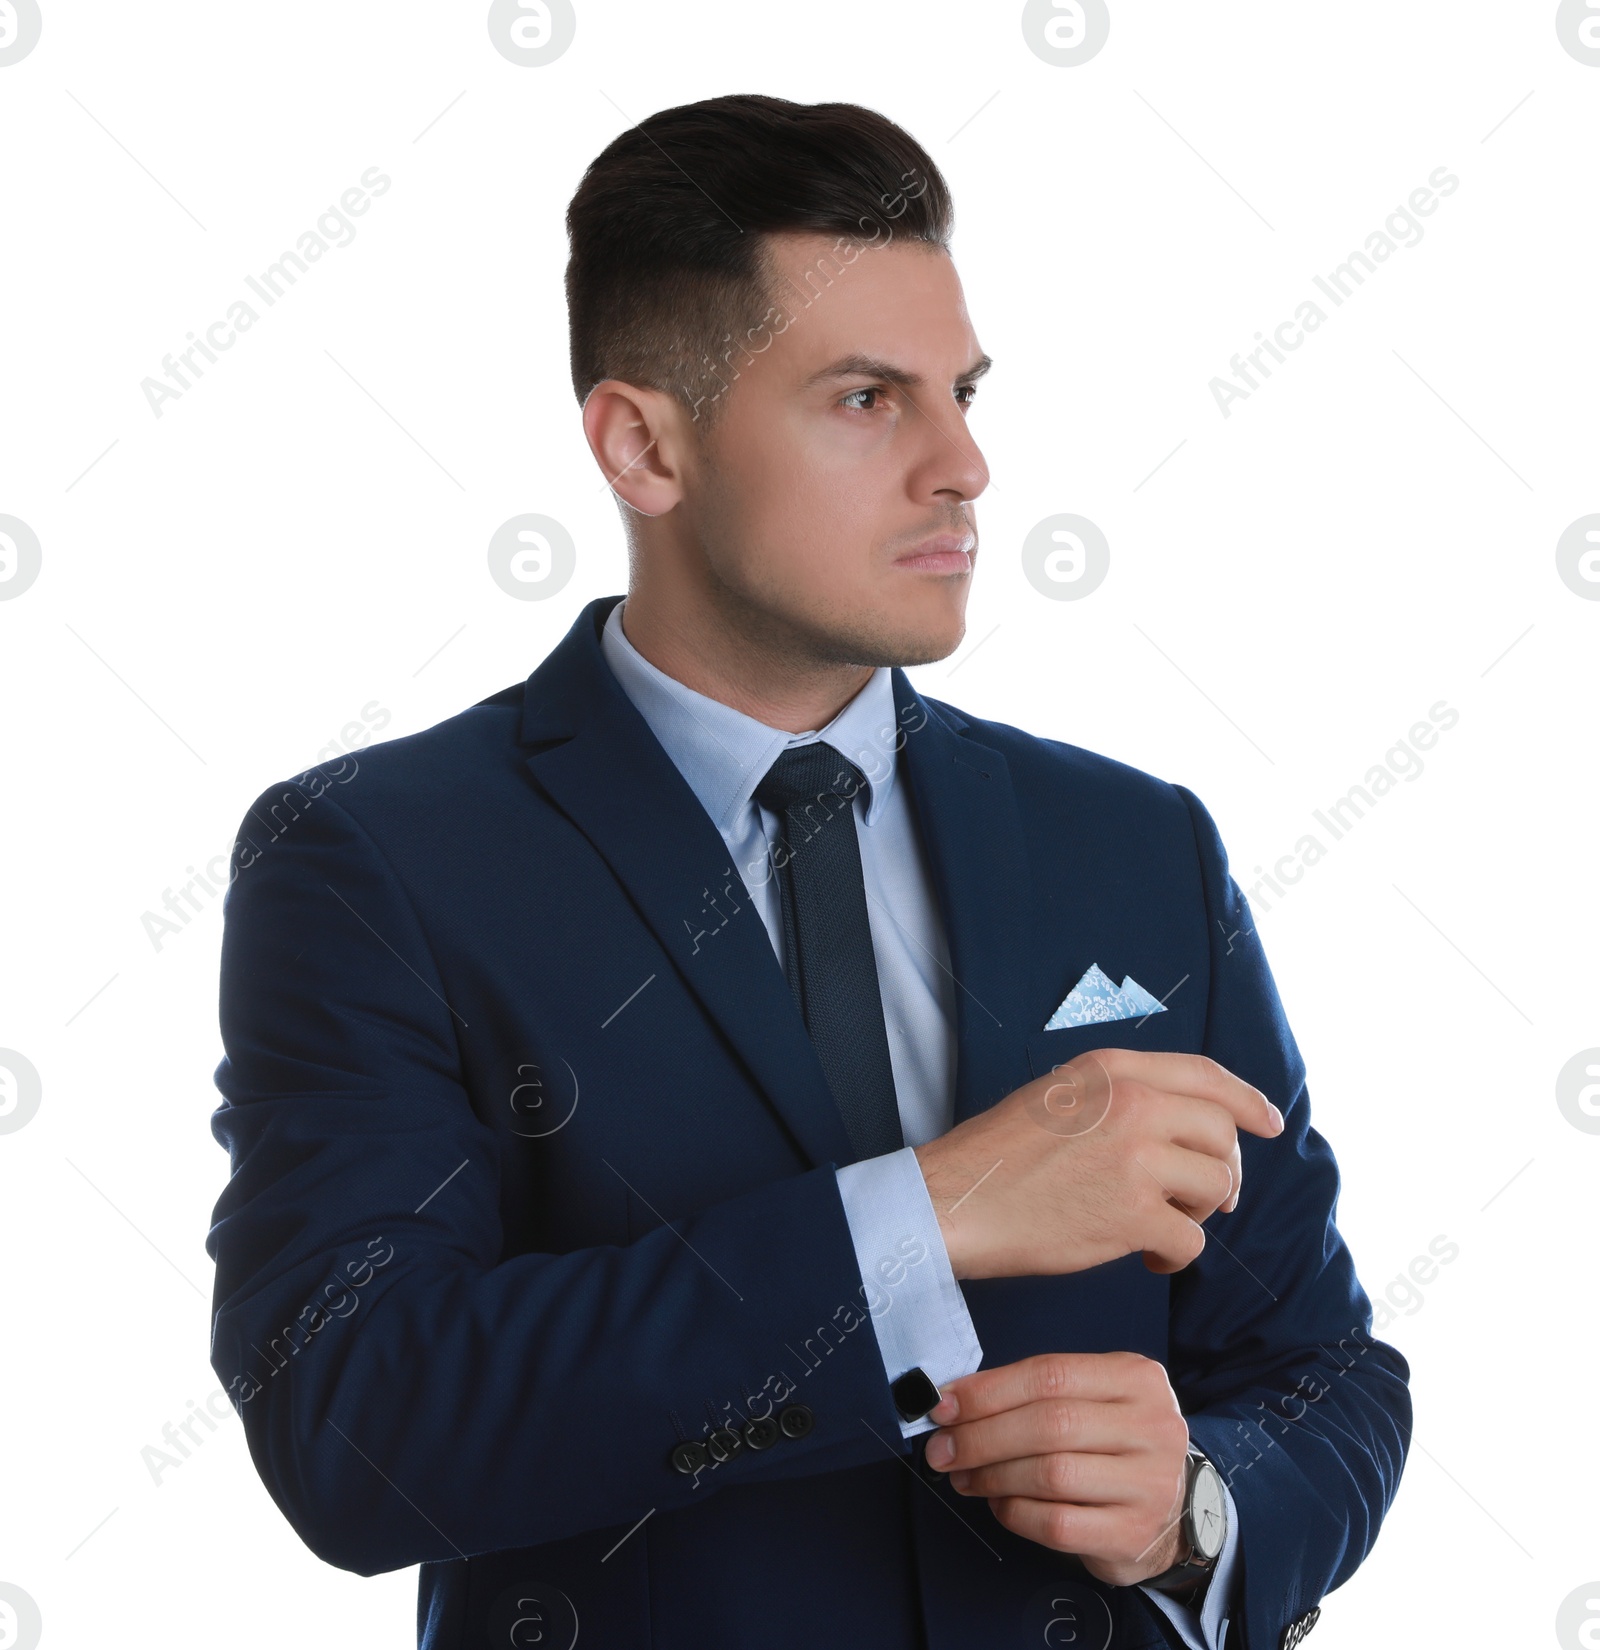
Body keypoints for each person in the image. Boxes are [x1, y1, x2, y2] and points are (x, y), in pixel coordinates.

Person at [206, 94, 1410, 1650]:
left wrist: (1201, 1505)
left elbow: (1319, 1366)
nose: (965, 463)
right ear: (644, 442)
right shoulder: (375, 857)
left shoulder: (1134, 843)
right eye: (866, 398)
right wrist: (931, 1210)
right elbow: (356, 1416)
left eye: (963, 393)